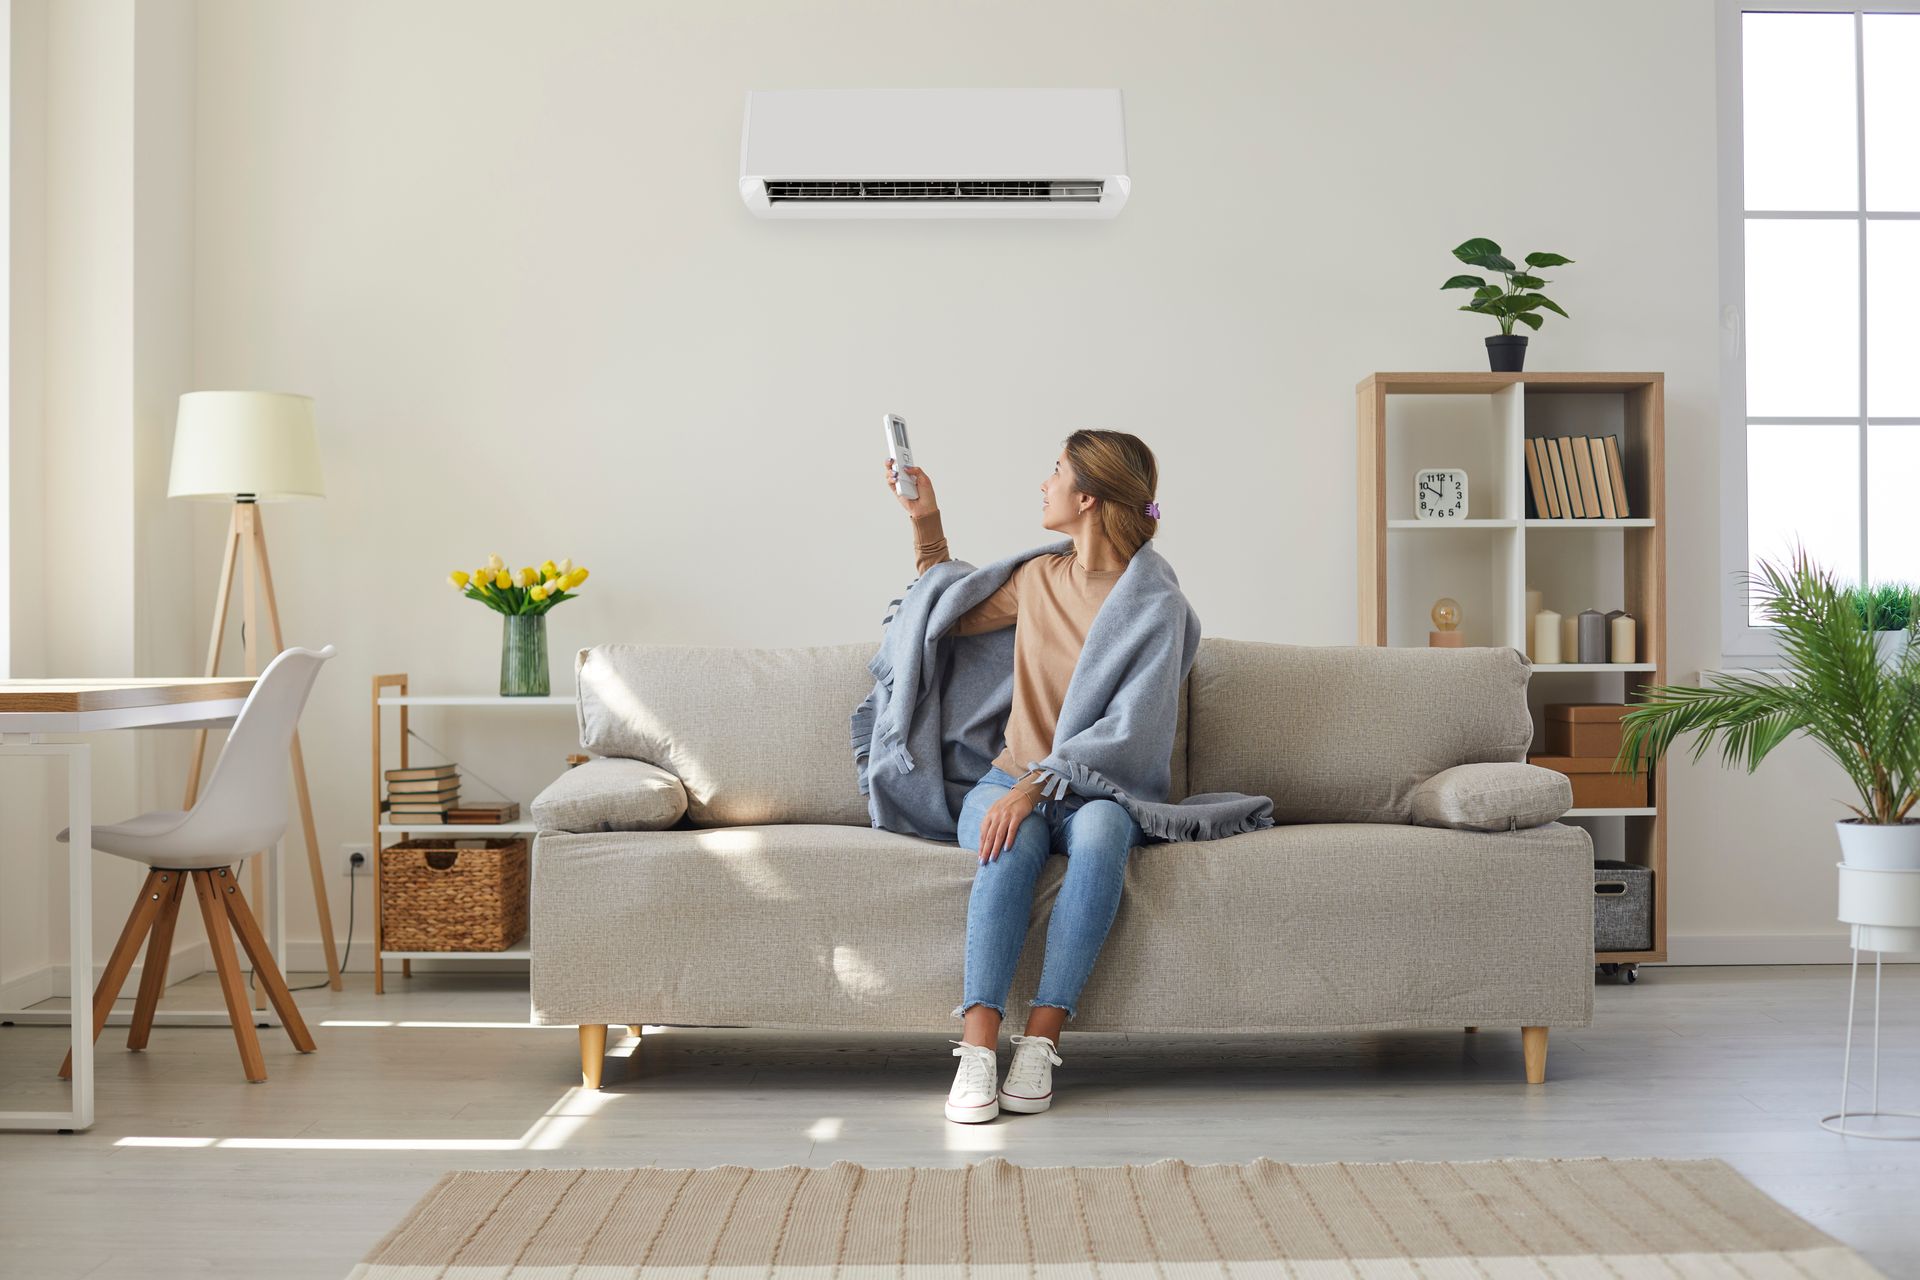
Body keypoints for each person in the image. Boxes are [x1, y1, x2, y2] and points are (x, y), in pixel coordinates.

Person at [881, 430, 1165, 1124]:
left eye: (1056, 471)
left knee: (1102, 833)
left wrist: (1034, 787)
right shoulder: (1039, 579)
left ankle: (1041, 1041)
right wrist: (925, 520)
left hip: (1099, 790)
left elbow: (1132, 731)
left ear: (1087, 498)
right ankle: (977, 1048)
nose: (1044, 484)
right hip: (1006, 779)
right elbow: (943, 609)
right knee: (1010, 840)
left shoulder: (1155, 604)